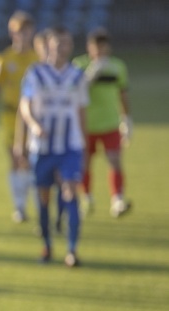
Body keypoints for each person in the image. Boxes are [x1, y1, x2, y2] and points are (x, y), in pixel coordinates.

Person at [18, 27, 88, 267]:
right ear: (48, 45)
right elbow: (25, 106)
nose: (62, 48)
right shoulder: (35, 74)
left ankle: (72, 250)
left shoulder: (77, 76)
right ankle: (47, 246)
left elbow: (81, 111)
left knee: (70, 192)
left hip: (70, 146)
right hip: (42, 147)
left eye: (66, 43)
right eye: (58, 43)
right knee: (43, 198)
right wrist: (33, 125)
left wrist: (85, 145)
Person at [0, 11, 37, 223]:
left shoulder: (38, 58)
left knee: (33, 161)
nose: (22, 35)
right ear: (11, 32)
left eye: (26, 31)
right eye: (18, 31)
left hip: (34, 117)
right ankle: (20, 207)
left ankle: (38, 205)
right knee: (15, 159)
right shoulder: (2, 59)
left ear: (32, 32)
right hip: (10, 115)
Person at [73, 27, 132, 218]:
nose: (98, 51)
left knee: (114, 160)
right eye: (95, 47)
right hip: (86, 124)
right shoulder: (79, 65)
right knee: (85, 163)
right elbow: (75, 93)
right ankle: (87, 197)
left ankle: (117, 199)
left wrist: (127, 119)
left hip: (110, 123)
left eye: (102, 47)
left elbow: (123, 94)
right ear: (88, 47)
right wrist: (90, 77)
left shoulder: (117, 66)